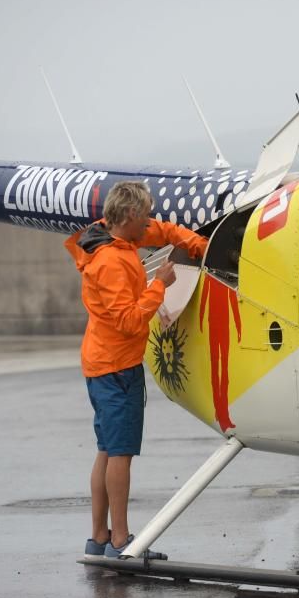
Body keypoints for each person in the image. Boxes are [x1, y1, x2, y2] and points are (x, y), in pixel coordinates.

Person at [65, 181, 208, 559]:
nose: (149, 222)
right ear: (129, 216)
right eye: (144, 215)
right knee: (121, 454)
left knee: (106, 450)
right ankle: (121, 541)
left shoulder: (110, 238)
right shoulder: (112, 262)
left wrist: (199, 246)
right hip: (116, 368)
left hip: (100, 364)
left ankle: (98, 537)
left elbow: (163, 231)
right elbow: (129, 321)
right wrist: (159, 284)